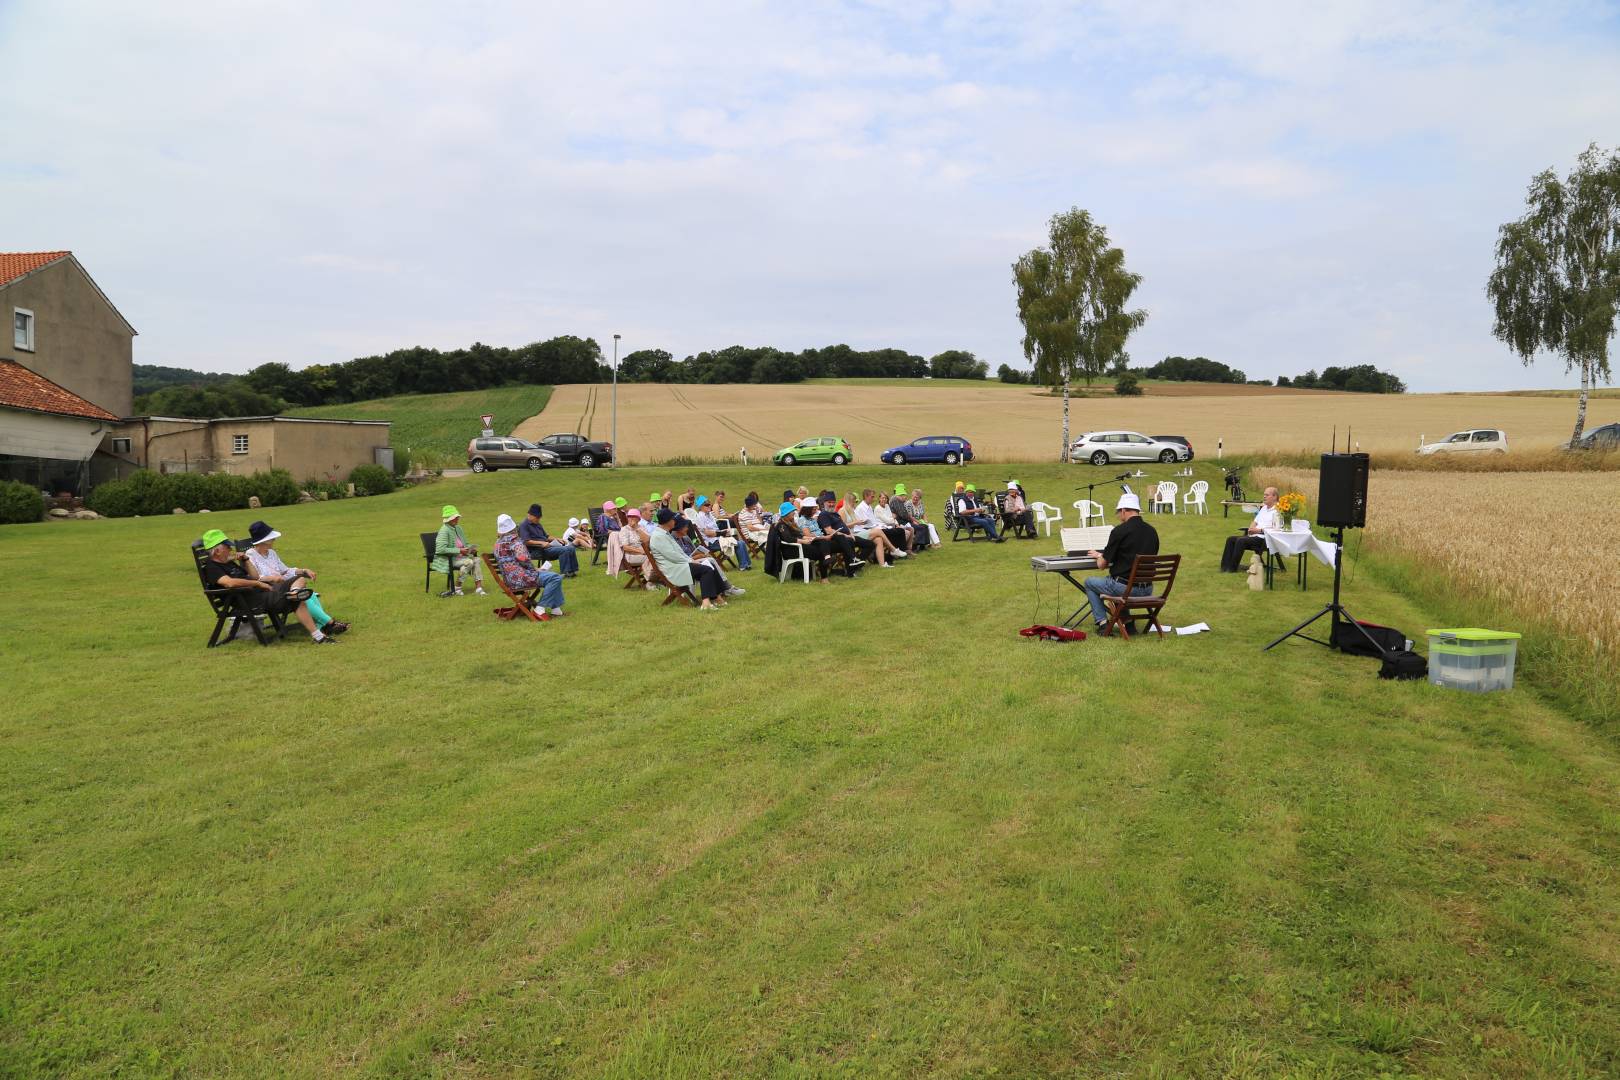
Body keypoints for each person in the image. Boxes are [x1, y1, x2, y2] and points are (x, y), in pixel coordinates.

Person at [201, 528, 338, 643]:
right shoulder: (212, 566)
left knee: (299, 581)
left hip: (261, 593)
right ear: (217, 551)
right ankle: (317, 633)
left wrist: (246, 559)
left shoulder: (228, 562)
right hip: (250, 600)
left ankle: (296, 596)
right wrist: (257, 584)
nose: (230, 549)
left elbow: (254, 575)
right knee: (297, 597)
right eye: (227, 546)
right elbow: (229, 582)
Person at [241, 519, 349, 635]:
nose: (274, 540)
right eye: (271, 538)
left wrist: (303, 571)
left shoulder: (271, 553)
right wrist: (272, 578)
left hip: (284, 587)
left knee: (310, 594)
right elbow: (253, 578)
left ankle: (322, 625)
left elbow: (286, 571)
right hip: (269, 591)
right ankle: (329, 623)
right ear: (264, 541)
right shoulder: (250, 554)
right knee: (302, 594)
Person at [1083, 493, 1161, 634]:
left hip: (1126, 590)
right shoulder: (1152, 531)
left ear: (1124, 510)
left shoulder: (1119, 531)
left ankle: (1103, 624)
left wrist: (1099, 556)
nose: (1119, 516)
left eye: (1118, 513)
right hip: (1147, 589)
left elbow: (1102, 565)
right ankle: (1128, 624)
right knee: (1120, 581)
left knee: (1090, 582)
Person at [649, 508, 726, 609]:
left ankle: (716, 597)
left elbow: (678, 552)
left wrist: (691, 561)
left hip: (679, 566)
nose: (674, 521)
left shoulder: (663, 534)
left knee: (708, 566)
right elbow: (672, 555)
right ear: (668, 521)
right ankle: (707, 602)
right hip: (674, 569)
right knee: (706, 570)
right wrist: (691, 561)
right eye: (673, 519)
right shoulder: (658, 536)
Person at [493, 513, 567, 619]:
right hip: (522, 579)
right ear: (514, 528)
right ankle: (540, 609)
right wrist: (535, 569)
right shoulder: (515, 542)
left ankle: (556, 610)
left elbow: (511, 562)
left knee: (552, 576)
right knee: (555, 578)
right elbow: (524, 559)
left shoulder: (497, 544)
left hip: (509, 580)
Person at [1221, 486, 1282, 572]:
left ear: (1274, 496)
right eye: (1264, 495)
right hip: (1254, 535)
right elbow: (1255, 521)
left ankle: (1232, 568)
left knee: (1241, 541)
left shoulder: (1278, 510)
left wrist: (1258, 530)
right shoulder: (1264, 508)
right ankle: (1224, 566)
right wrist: (1251, 528)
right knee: (1230, 539)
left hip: (1265, 539)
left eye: (1267, 495)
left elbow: (1276, 528)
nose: (1264, 496)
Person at [433, 505, 486, 596]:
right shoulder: (444, 530)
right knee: (469, 562)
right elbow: (440, 549)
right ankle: (457, 587)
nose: (457, 519)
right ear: (449, 519)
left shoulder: (458, 528)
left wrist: (470, 549)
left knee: (476, 560)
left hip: (462, 557)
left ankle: (479, 588)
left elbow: (465, 544)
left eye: (457, 517)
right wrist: (459, 551)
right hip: (449, 559)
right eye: (455, 517)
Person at [815, 492, 871, 575]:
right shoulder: (824, 514)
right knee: (848, 541)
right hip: (833, 540)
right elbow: (828, 531)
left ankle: (856, 564)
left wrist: (850, 534)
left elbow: (843, 525)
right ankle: (851, 567)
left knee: (870, 544)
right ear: (824, 503)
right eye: (829, 502)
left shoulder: (835, 514)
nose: (831, 504)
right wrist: (846, 535)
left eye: (833, 502)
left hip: (846, 537)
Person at [518, 503, 579, 577]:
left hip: (547, 546)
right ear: (530, 515)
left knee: (571, 548)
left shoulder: (537, 524)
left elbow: (546, 536)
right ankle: (566, 573)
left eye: (539, 518)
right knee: (564, 550)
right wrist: (541, 543)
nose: (538, 519)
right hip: (537, 550)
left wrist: (557, 539)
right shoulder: (524, 525)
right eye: (537, 518)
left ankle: (573, 571)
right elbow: (526, 541)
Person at [843, 490, 901, 566]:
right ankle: (893, 549)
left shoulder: (855, 510)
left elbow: (870, 522)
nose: (855, 503)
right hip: (854, 534)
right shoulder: (844, 511)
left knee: (879, 539)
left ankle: (882, 564)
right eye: (854, 501)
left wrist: (860, 522)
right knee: (878, 531)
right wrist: (857, 522)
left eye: (855, 501)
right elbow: (843, 526)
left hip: (860, 531)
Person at [693, 494, 751, 570]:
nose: (709, 506)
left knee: (741, 542)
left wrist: (723, 532)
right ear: (700, 507)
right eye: (706, 505)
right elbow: (707, 533)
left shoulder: (709, 515)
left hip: (718, 538)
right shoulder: (700, 517)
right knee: (738, 543)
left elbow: (715, 529)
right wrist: (721, 533)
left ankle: (747, 564)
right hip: (711, 542)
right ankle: (743, 566)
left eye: (709, 504)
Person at [868, 487, 913, 553]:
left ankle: (904, 550)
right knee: (904, 532)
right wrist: (894, 519)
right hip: (883, 528)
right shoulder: (878, 508)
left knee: (908, 531)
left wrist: (897, 524)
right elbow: (887, 520)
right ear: (879, 499)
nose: (884, 500)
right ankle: (897, 550)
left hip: (890, 526)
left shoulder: (887, 506)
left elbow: (891, 518)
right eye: (882, 498)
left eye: (885, 498)